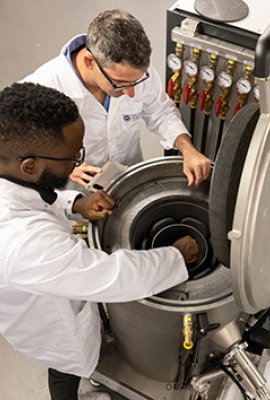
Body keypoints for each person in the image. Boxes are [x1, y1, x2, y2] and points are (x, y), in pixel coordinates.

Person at [0, 82, 198, 400]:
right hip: (49, 327)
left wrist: (74, 204)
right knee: (65, 368)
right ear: (30, 165)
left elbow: (32, 198)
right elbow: (110, 275)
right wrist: (175, 256)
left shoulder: (12, 174)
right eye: (70, 159)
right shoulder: (21, 243)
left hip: (42, 290)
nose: (77, 165)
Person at [22, 8, 212, 188]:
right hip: (74, 197)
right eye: (120, 83)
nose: (130, 92)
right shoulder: (43, 88)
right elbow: (19, 150)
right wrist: (62, 168)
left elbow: (160, 112)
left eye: (135, 83)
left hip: (128, 182)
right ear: (90, 61)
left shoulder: (133, 73)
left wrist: (187, 148)